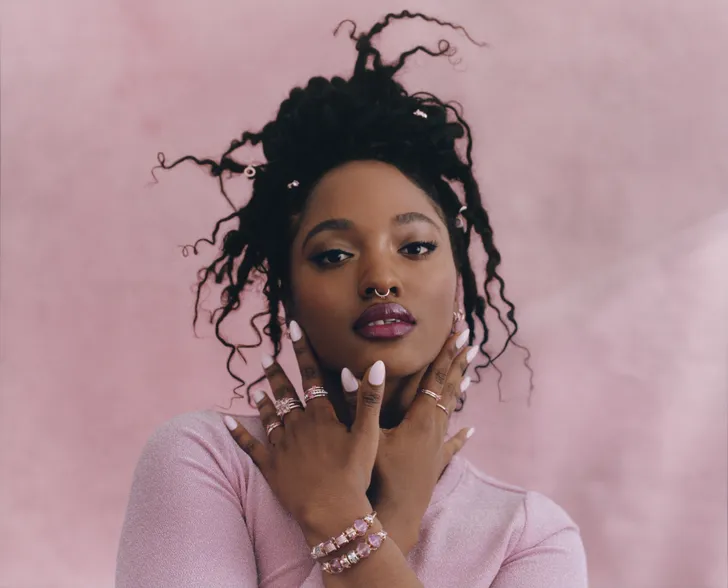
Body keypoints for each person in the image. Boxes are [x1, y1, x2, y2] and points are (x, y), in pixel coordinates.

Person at [116, 11, 588, 587]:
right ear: (287, 293)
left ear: (457, 278)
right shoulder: (209, 459)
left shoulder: (529, 536)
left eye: (415, 247)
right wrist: (388, 523)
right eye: (334, 255)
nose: (380, 279)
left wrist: (342, 520)